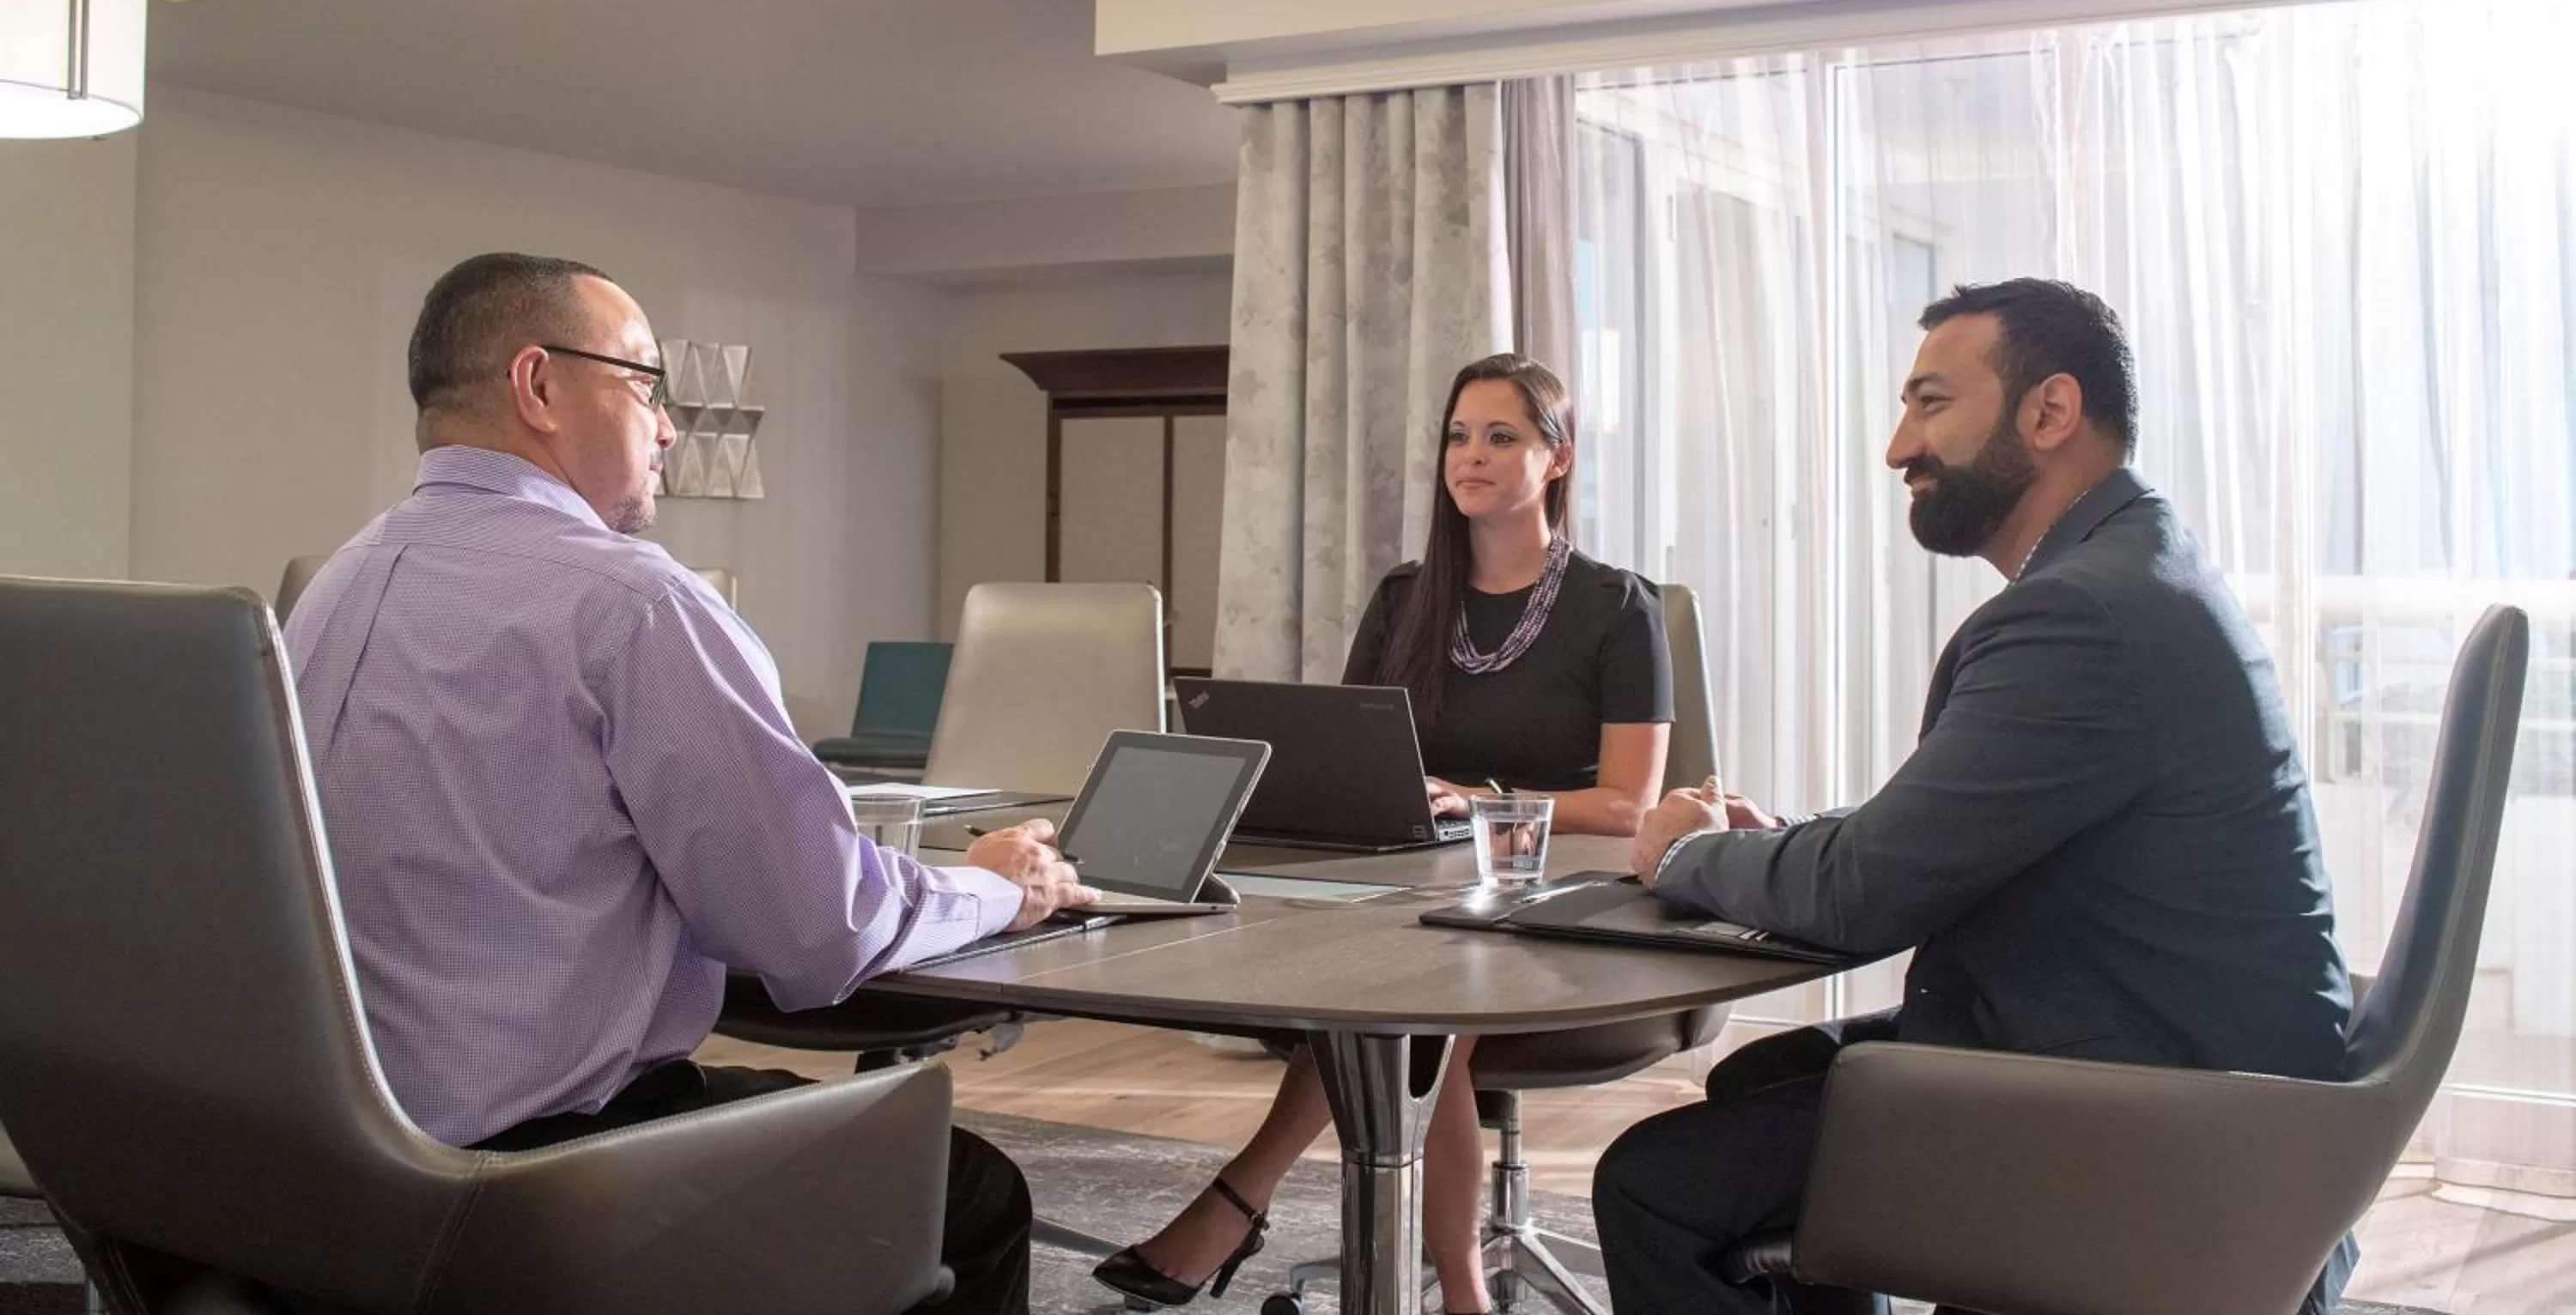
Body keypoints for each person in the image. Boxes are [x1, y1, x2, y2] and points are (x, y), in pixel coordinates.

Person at [283, 252, 1097, 1315]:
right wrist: (999, 883)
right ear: (539, 386)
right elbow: (815, 929)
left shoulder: (334, 583)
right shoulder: (630, 602)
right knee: (970, 1193)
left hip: (331, 1166)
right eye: (644, 384)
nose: (668, 426)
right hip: (539, 1174)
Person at [1597, 278, 2355, 1315]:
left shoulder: (2081, 616)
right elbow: (1936, 833)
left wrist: (1680, 852)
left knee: (1653, 1187)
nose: (1898, 445)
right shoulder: (2131, 569)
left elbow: (1868, 890)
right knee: (1758, 1082)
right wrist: (1784, 841)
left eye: (1931, 403)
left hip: (2168, 1133)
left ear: (2048, 412)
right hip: (2173, 1073)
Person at [1097, 354, 1673, 1312]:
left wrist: (1478, 794)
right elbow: (1361, 750)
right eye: (1458, 434)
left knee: (1411, 1004)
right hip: (1420, 884)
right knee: (1376, 975)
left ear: (1557, 457)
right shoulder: (1406, 597)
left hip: (1561, 898)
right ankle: (1440, 1287)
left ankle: (1285, 1218)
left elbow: (1627, 802)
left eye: (1502, 436)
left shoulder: (1617, 608)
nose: (1471, 455)